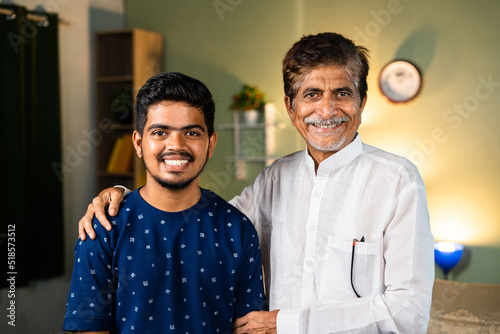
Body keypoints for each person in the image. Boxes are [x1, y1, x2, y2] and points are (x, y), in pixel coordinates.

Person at [79, 33, 435, 333]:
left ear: (362, 102)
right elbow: (200, 219)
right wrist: (126, 200)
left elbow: (409, 312)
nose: (326, 110)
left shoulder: (397, 180)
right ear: (291, 106)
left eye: (342, 93)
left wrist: (287, 324)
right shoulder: (274, 178)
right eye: (311, 94)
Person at [64, 72, 265, 333]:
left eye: (191, 133)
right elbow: (90, 328)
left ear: (211, 144)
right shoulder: (102, 227)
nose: (176, 145)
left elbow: (250, 328)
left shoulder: (237, 229)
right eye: (160, 132)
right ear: (138, 143)